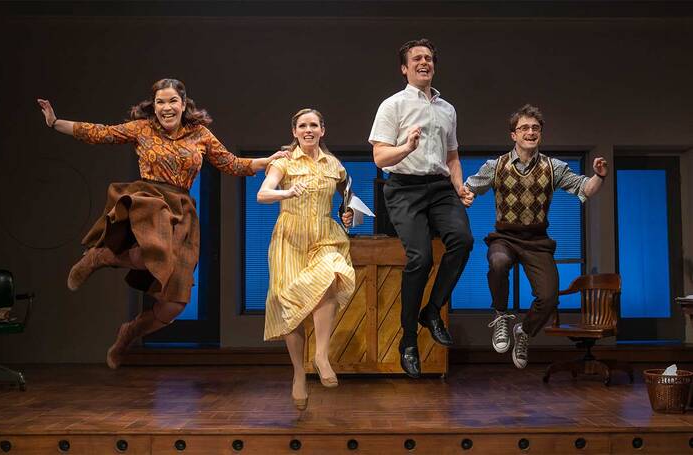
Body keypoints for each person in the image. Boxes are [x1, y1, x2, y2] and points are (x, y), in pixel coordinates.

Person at [37, 78, 287, 369]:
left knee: (174, 304)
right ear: (153, 106)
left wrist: (268, 160)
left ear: (183, 104)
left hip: (181, 211)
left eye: (172, 101)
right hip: (149, 200)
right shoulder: (142, 128)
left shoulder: (200, 135)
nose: (166, 107)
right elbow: (99, 133)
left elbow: (232, 164)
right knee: (148, 252)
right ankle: (97, 256)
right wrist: (55, 122)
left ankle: (127, 335)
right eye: (160, 102)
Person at [462, 104, 608, 369]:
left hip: (537, 241)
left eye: (535, 128)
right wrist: (467, 195)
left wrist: (598, 176)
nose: (530, 132)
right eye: (524, 128)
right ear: (513, 135)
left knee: (550, 297)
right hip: (504, 236)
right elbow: (469, 187)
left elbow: (585, 188)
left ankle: (524, 332)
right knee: (497, 262)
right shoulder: (496, 166)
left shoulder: (554, 167)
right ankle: (502, 316)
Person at [369, 38, 474, 378]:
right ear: (405, 68)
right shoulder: (392, 106)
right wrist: (406, 146)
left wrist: (460, 186)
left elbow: (452, 155)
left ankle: (431, 311)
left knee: (463, 240)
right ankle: (408, 340)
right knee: (421, 258)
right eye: (416, 58)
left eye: (428, 58)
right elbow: (380, 158)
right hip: (404, 188)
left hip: (441, 188)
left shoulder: (448, 109)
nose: (423, 62)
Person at [257, 108, 355, 411]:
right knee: (290, 305)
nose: (308, 130)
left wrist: (347, 212)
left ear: (322, 130)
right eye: (303, 126)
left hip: (324, 235)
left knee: (330, 275)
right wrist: (286, 192)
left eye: (314, 125)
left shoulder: (334, 165)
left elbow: (347, 193)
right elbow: (262, 194)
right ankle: (299, 373)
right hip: (290, 237)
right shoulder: (284, 162)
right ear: (295, 132)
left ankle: (321, 356)